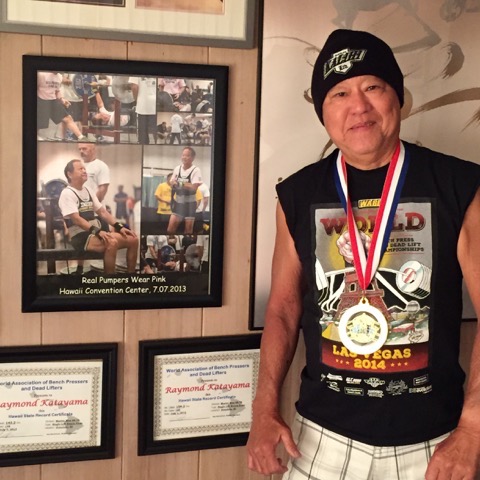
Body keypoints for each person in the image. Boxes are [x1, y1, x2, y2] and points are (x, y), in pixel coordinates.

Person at [247, 29, 480, 480]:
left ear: (398, 98)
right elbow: (282, 309)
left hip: (435, 442)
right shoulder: (297, 193)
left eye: (373, 86)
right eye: (339, 93)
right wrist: (263, 409)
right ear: (323, 112)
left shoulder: (459, 185)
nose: (358, 106)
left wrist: (472, 428)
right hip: (321, 440)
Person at [58, 159, 138, 274]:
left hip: (94, 232)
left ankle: (131, 278)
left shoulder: (88, 190)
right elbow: (76, 219)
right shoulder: (67, 193)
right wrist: (98, 231)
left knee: (133, 239)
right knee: (112, 243)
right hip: (80, 237)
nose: (84, 171)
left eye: (84, 168)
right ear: (69, 174)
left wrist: (119, 227)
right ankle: (109, 282)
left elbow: (103, 212)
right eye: (80, 169)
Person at [37, 71, 87, 141]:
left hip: (53, 100)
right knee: (39, 123)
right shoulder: (41, 75)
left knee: (68, 118)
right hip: (41, 100)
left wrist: (62, 99)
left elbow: (57, 91)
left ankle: (81, 138)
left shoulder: (59, 77)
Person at [167, 147, 203, 235]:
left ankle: (186, 242)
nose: (184, 157)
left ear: (192, 158)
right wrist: (176, 183)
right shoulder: (177, 168)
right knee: (170, 229)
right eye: (183, 155)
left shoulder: (196, 170)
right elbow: (171, 182)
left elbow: (193, 187)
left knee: (188, 231)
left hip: (189, 204)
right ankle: (172, 242)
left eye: (187, 156)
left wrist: (180, 183)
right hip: (178, 203)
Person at [128, 76, 157, 144]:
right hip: (155, 104)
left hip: (143, 105)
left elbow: (134, 87)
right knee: (156, 132)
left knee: (143, 137)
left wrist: (137, 99)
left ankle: (144, 148)